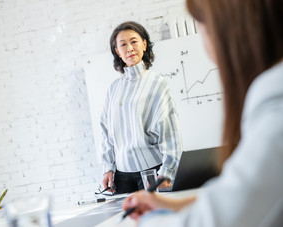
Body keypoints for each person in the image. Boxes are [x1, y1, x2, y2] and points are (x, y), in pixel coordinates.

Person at [123, 0, 283, 226]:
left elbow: (220, 220)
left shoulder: (275, 102)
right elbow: (244, 197)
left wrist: (146, 222)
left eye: (203, 29)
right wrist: (173, 205)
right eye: (122, 45)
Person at [100, 21, 183, 194]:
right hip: (121, 177)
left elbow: (170, 134)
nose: (129, 48)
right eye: (123, 44)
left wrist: (167, 172)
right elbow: (106, 132)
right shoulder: (113, 89)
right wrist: (108, 167)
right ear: (117, 51)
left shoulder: (157, 84)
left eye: (134, 41)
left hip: (153, 173)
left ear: (144, 45)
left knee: (156, 221)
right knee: (127, 221)